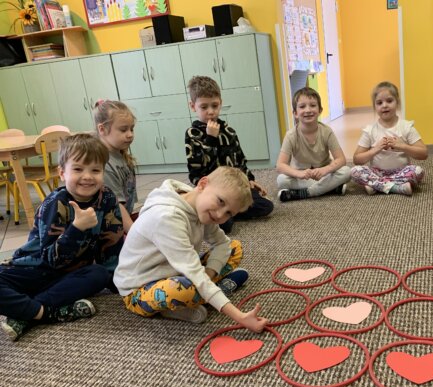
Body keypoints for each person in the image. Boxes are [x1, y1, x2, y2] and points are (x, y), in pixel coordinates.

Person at [113, 166, 268, 333]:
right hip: (138, 290)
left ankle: (204, 294)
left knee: (233, 248)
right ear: (202, 184)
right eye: (221, 201)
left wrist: (208, 275)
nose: (220, 215)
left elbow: (223, 244)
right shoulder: (167, 217)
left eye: (229, 213)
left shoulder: (201, 205)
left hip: (179, 271)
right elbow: (194, 273)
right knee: (184, 289)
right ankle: (201, 296)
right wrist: (241, 317)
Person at [0, 134, 125, 341]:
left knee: (99, 274)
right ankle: (46, 312)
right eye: (78, 169)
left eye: (95, 170)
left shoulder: (107, 198)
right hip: (33, 269)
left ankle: (27, 312)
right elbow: (51, 260)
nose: (87, 176)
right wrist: (76, 228)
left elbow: (111, 246)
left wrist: (121, 286)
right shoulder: (54, 203)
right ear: (62, 173)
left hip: (68, 274)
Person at [185, 76, 273, 233]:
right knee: (224, 225)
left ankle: (230, 211)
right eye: (204, 107)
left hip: (233, 189)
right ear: (193, 106)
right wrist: (211, 139)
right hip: (214, 192)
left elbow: (240, 160)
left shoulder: (229, 131)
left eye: (215, 105)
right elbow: (198, 171)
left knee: (266, 206)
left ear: (220, 103)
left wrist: (249, 180)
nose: (211, 112)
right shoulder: (192, 134)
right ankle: (228, 213)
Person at [350, 81, 427, 195]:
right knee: (354, 171)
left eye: (389, 101)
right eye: (379, 103)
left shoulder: (406, 127)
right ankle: (396, 187)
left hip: (401, 172)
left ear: (397, 102)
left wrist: (402, 146)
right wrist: (375, 149)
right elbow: (357, 160)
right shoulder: (370, 130)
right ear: (375, 106)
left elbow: (424, 153)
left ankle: (377, 186)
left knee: (418, 171)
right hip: (377, 173)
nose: (384, 105)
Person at [276, 87, 351, 202]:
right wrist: (299, 174)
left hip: (324, 174)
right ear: (295, 113)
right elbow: (280, 165)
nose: (308, 110)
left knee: (346, 172)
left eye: (312, 105)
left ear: (320, 110)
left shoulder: (326, 131)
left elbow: (341, 159)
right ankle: (329, 188)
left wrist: (325, 170)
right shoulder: (291, 135)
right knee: (281, 180)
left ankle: (307, 193)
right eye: (302, 106)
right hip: (302, 176)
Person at [94, 99, 138, 233]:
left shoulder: (119, 154)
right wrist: (135, 233)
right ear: (102, 129)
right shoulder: (104, 164)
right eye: (123, 130)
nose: (130, 134)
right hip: (109, 229)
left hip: (121, 221)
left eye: (131, 129)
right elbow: (117, 207)